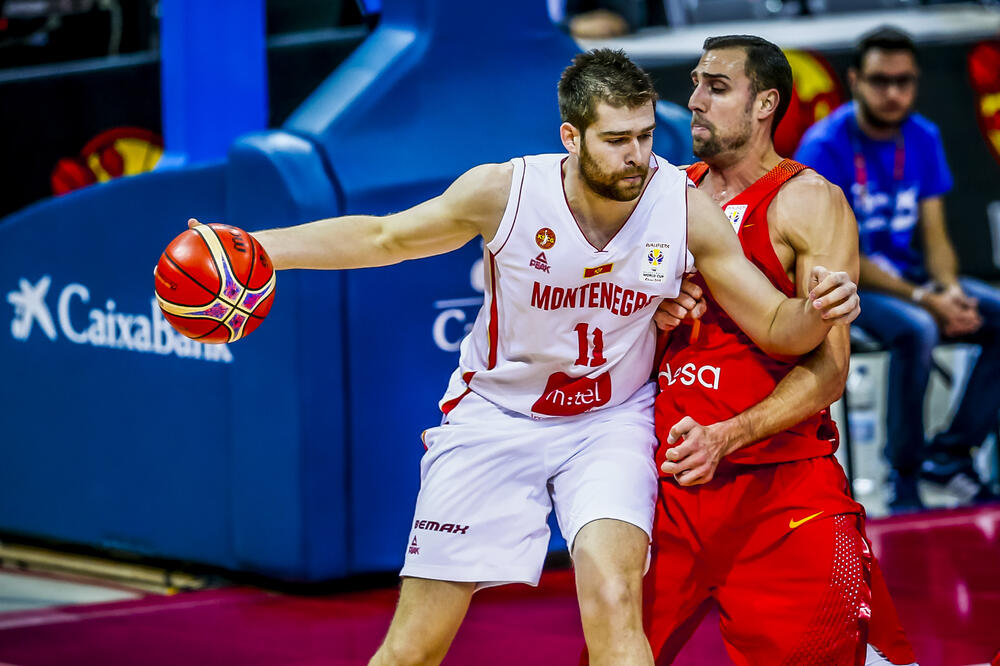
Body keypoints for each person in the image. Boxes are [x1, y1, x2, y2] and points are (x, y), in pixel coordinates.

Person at [191, 49, 858, 666]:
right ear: (571, 137)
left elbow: (775, 323)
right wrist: (257, 244)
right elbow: (383, 236)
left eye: (647, 136)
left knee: (615, 603)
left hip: (609, 424)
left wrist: (817, 308)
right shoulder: (504, 193)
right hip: (497, 418)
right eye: (617, 140)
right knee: (414, 646)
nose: (638, 156)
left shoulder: (679, 207)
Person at [644, 35, 917, 664]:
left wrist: (730, 435)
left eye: (716, 87)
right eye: (695, 84)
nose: (694, 101)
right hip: (663, 487)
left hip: (780, 490)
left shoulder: (808, 202)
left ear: (765, 102)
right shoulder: (664, 197)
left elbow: (829, 370)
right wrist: (649, 317)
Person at [794, 26, 1000, 511]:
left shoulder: (922, 136)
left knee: (994, 314)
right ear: (855, 80)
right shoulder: (824, 145)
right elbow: (835, 255)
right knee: (918, 330)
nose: (893, 93)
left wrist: (949, 289)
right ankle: (901, 478)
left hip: (913, 281)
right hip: (845, 284)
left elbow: (936, 235)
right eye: (880, 81)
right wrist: (927, 300)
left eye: (903, 81)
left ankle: (950, 454)